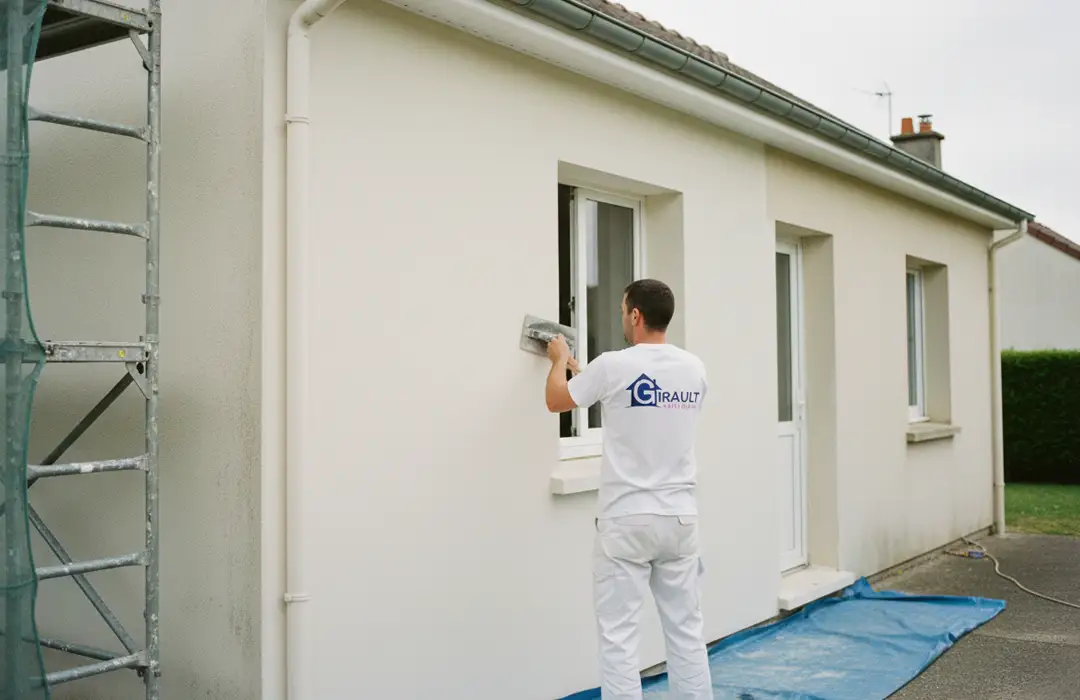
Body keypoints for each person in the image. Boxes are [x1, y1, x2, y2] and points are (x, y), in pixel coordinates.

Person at [545, 278, 713, 700]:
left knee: (619, 642)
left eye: (623, 310)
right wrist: (588, 375)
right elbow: (646, 404)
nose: (622, 317)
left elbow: (556, 400)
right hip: (679, 520)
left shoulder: (612, 366)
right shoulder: (694, 369)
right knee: (687, 636)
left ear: (636, 315)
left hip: (626, 521)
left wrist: (558, 360)